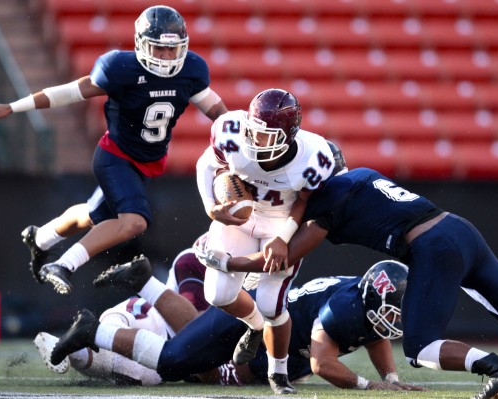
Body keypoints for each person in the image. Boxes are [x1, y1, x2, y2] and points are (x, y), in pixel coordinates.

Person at [195, 144, 498, 399]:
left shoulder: (328, 198)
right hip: (458, 227)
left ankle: (497, 367)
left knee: (419, 348)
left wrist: (226, 261)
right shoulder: (361, 175)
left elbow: (282, 257)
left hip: (431, 245)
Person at [0, 5, 228, 295]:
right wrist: (14, 106)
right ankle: (63, 265)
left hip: (145, 163)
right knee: (134, 222)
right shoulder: (120, 68)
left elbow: (217, 111)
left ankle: (41, 239)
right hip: (115, 157)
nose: (165, 57)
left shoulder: (191, 70)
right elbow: (71, 91)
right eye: (157, 49)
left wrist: (239, 135)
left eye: (171, 50)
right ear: (141, 44)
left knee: (92, 215)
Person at [42, 254, 426, 392]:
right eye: (394, 306)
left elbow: (375, 334)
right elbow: (321, 364)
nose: (396, 316)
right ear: (371, 296)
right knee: (175, 363)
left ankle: (144, 281)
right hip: (257, 328)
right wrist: (368, 385)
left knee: (197, 349)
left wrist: (391, 379)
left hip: (268, 331)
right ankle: (94, 331)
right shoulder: (343, 310)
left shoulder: (360, 301)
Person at [194, 88, 335, 393]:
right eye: (254, 131)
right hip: (242, 217)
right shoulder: (232, 132)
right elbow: (206, 165)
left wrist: (284, 238)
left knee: (272, 304)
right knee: (217, 293)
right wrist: (210, 205)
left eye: (266, 135)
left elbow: (306, 203)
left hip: (281, 222)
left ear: (289, 136)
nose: (256, 140)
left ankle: (278, 373)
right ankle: (256, 326)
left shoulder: (314, 154)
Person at [34, 234, 211, 385]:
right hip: (152, 321)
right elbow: (197, 332)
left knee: (135, 372)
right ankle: (82, 340)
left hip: (167, 337)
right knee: (144, 371)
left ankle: (71, 348)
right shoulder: (199, 258)